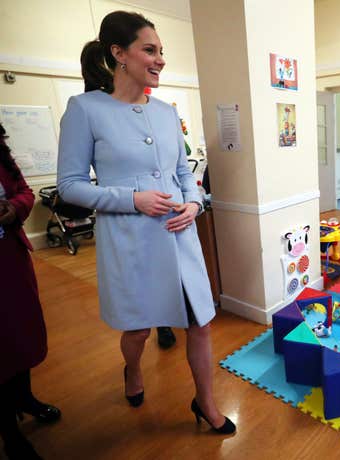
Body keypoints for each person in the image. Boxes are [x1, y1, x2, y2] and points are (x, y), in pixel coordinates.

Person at [57, 11, 235, 434]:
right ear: (118, 53)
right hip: (131, 240)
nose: (159, 60)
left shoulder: (166, 112)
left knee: (199, 324)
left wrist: (194, 203)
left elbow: (182, 174)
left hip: (179, 235)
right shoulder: (85, 110)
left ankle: (205, 402)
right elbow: (69, 186)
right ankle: (132, 370)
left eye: (161, 52)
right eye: (149, 50)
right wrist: (131, 198)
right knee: (137, 330)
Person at [0, 123, 61, 460]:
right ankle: (9, 431)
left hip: (10, 260)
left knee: (22, 336)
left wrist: (13, 208)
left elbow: (23, 191)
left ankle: (25, 398)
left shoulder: (1, 152)